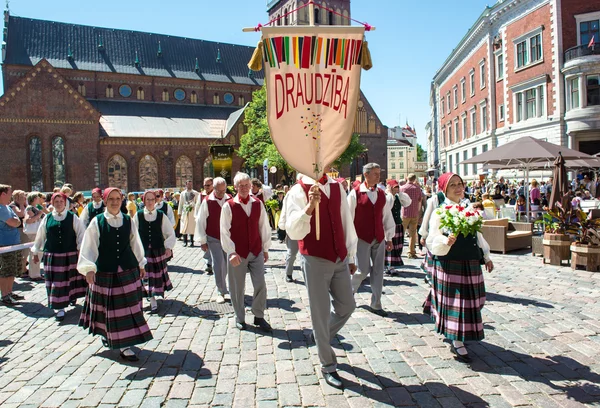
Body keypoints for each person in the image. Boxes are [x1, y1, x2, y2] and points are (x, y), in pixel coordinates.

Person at [285, 171, 357, 390]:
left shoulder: (337, 186)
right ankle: (328, 364)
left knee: (347, 306)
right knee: (321, 312)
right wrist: (309, 208)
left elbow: (346, 220)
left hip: (339, 257)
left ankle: (320, 335)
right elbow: (292, 229)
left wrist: (351, 255)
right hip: (315, 257)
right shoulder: (298, 190)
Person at [423, 172, 493, 363]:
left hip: (470, 260)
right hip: (450, 261)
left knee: (475, 300)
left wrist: (486, 256)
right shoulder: (440, 210)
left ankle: (460, 332)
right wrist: (445, 240)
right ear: (445, 189)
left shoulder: (468, 207)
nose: (457, 187)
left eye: (459, 183)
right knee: (456, 301)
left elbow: (477, 235)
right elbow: (431, 238)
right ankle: (457, 340)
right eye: (452, 184)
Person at [78, 187, 152, 362]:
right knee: (108, 309)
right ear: (105, 201)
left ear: (122, 200)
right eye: (111, 198)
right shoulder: (97, 222)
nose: (114, 202)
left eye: (117, 198)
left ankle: (126, 344)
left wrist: (141, 264)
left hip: (128, 270)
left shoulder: (128, 220)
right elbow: (88, 246)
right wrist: (88, 268)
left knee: (129, 308)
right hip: (105, 272)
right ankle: (108, 335)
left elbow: (135, 243)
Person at [220, 172, 272, 332]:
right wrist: (231, 252)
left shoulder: (257, 203)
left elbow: (264, 226)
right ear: (235, 187)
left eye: (246, 185)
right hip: (238, 252)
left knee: (260, 284)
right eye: (240, 185)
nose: (243, 188)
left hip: (255, 250)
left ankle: (258, 315)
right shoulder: (228, 205)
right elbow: (224, 231)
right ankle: (240, 318)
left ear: (251, 186)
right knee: (237, 287)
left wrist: (265, 248)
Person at [348, 163, 395, 317]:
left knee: (378, 271)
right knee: (361, 270)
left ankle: (376, 304)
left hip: (379, 237)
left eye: (378, 173)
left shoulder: (382, 194)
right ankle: (348, 295)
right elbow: (349, 218)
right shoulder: (355, 194)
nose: (378, 176)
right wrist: (350, 240)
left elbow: (386, 216)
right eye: (375, 173)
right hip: (361, 237)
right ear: (366, 175)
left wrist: (389, 237)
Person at [31, 192, 87, 321]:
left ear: (65, 202)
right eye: (56, 202)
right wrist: (36, 252)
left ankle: (71, 297)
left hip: (70, 253)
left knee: (71, 278)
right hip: (53, 255)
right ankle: (59, 307)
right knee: (57, 282)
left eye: (61, 201)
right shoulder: (48, 218)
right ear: (52, 203)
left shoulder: (72, 217)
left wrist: (80, 250)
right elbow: (41, 236)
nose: (59, 204)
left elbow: (80, 234)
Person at [132, 191, 176, 314]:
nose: (150, 202)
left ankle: (154, 295)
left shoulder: (161, 215)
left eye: (152, 199)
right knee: (146, 275)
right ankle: (151, 299)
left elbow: (169, 233)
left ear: (155, 201)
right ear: (144, 201)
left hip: (157, 250)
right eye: (148, 199)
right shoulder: (138, 215)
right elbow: (133, 234)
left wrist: (168, 247)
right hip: (143, 251)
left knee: (156, 274)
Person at [195, 177, 232, 304]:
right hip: (213, 237)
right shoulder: (207, 201)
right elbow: (201, 221)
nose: (222, 193)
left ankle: (224, 286)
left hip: (228, 238)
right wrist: (202, 240)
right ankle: (220, 290)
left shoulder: (230, 199)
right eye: (219, 191)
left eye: (224, 190)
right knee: (218, 263)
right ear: (214, 189)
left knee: (227, 264)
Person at [0, 184, 23, 305]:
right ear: (3, 194)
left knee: (12, 269)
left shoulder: (7, 207)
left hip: (13, 243)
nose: (11, 195)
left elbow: (17, 220)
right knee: (5, 270)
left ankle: (9, 292)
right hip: (4, 245)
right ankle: (4, 295)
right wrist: (15, 220)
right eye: (10, 192)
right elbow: (14, 222)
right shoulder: (0, 208)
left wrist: (16, 220)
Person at [385, 179, 412, 274]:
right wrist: (390, 194)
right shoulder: (387, 197)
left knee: (397, 246)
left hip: (397, 224)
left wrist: (400, 193)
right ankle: (388, 266)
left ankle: (391, 265)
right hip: (389, 225)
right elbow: (388, 206)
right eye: (394, 187)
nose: (396, 189)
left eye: (397, 187)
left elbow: (408, 202)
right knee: (389, 246)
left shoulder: (398, 197)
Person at [399, 174, 423, 258]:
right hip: (414, 213)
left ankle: (399, 251)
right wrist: (418, 211)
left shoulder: (402, 188)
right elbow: (420, 200)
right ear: (414, 179)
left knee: (401, 233)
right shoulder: (417, 188)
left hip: (405, 213)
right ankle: (411, 252)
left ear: (407, 178)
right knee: (412, 233)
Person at [24, 191, 46, 280]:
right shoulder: (30, 208)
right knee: (35, 253)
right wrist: (40, 214)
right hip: (33, 233)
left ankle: (36, 273)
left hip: (38, 232)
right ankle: (34, 274)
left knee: (39, 253)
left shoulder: (35, 207)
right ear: (33, 199)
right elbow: (29, 220)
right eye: (37, 198)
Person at [9, 189, 28, 275]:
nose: (25, 198)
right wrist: (21, 204)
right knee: (23, 250)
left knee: (25, 250)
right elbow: (22, 214)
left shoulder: (23, 205)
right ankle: (21, 270)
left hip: (23, 229)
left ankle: (23, 268)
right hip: (19, 230)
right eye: (23, 196)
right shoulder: (13, 206)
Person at [178, 180, 199, 247]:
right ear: (186, 185)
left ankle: (192, 241)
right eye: (188, 184)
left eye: (190, 184)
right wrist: (179, 212)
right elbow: (180, 203)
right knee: (184, 226)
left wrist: (193, 205)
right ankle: (185, 241)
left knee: (191, 227)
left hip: (192, 212)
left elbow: (198, 203)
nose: (189, 185)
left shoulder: (195, 193)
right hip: (185, 212)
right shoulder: (182, 193)